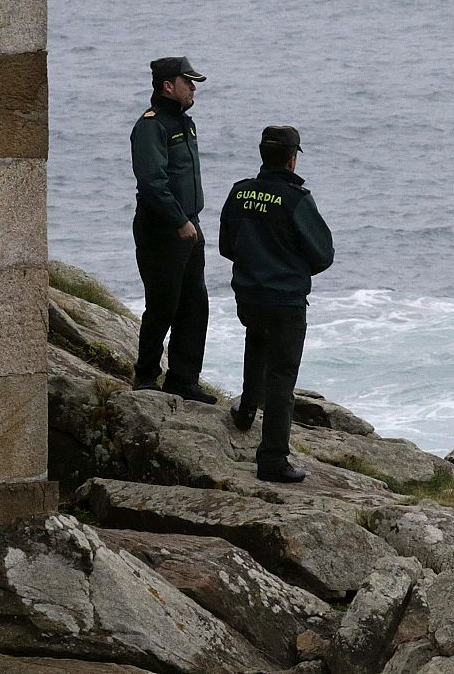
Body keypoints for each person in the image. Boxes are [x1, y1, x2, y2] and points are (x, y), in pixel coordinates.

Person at [218, 125, 335, 483]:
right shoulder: (297, 199)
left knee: (256, 340)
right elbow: (324, 253)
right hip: (285, 298)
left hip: (249, 293)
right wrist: (293, 268)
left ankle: (246, 409)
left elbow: (226, 245)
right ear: (291, 158)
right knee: (282, 376)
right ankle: (272, 459)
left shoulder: (240, 194)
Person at [130, 56, 215, 403]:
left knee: (195, 305)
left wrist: (189, 221)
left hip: (188, 226)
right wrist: (179, 220)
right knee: (164, 304)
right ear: (168, 86)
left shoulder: (185, 123)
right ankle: (146, 375)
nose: (193, 88)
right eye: (188, 82)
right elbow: (152, 181)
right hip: (162, 229)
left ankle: (183, 379)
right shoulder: (152, 126)